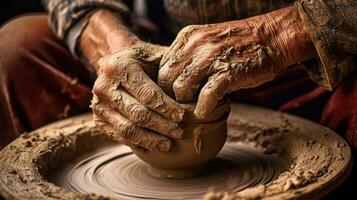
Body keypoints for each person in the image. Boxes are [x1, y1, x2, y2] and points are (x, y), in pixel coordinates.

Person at [0, 0, 356, 152]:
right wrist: (112, 45)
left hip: (323, 60)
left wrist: (280, 34)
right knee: (16, 53)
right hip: (168, 50)